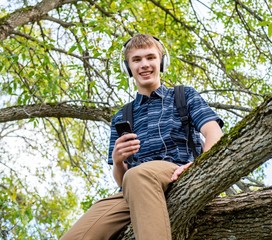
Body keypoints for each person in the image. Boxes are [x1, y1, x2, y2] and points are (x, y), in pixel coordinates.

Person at [61, 34, 224, 240]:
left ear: (162, 62)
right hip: (133, 189)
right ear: (128, 68)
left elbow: (214, 132)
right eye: (136, 60)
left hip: (175, 171)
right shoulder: (122, 115)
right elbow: (123, 178)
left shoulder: (183, 96)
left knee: (138, 175)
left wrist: (199, 166)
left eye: (150, 57)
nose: (144, 64)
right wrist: (118, 161)